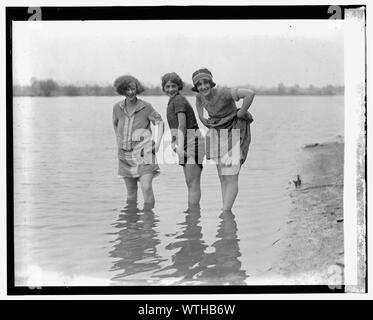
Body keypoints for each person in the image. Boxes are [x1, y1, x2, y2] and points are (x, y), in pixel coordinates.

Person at [192, 68, 255, 212]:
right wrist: (201, 118)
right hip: (216, 132)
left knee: (231, 176)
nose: (203, 87)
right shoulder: (199, 95)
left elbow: (250, 94)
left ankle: (225, 213)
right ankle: (226, 212)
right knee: (222, 176)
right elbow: (199, 103)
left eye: (205, 82)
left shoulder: (223, 92)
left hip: (233, 130)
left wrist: (242, 112)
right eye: (199, 84)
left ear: (211, 82)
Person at [112, 75, 164, 209]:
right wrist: (119, 141)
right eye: (127, 89)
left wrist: (157, 144)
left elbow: (160, 122)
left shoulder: (146, 107)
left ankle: (148, 225)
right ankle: (132, 225)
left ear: (137, 89)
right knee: (130, 194)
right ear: (122, 90)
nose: (130, 92)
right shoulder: (117, 108)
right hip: (125, 156)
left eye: (133, 89)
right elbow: (115, 125)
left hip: (144, 154)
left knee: (146, 187)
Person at [162, 72, 205, 210]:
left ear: (178, 86)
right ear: (163, 88)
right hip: (185, 142)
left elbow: (182, 125)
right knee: (190, 182)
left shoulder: (179, 100)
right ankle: (192, 218)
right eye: (167, 86)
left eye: (173, 86)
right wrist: (175, 144)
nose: (170, 89)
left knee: (193, 182)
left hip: (193, 141)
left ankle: (193, 220)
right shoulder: (172, 101)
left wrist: (179, 148)